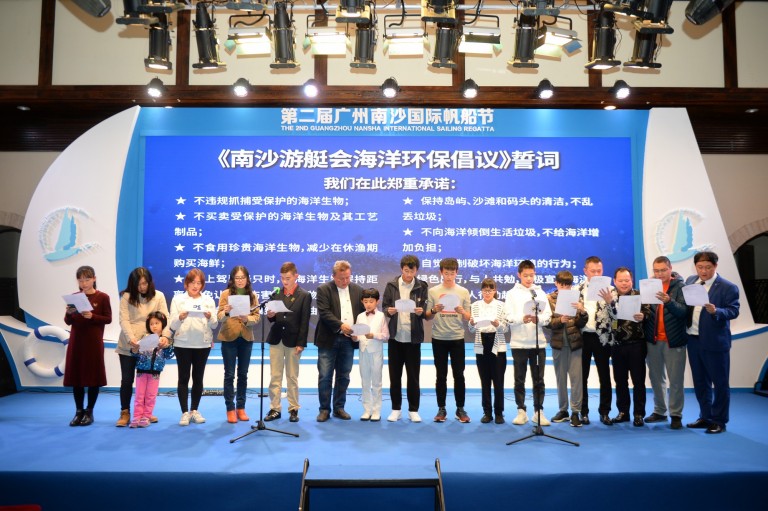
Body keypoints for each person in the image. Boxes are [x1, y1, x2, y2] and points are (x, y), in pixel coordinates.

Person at [685, 251, 740, 435]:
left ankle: (719, 421)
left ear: (715, 266)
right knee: (700, 383)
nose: (704, 271)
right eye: (700, 267)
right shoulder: (691, 281)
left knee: (720, 383)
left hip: (715, 343)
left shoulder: (727, 287)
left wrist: (717, 311)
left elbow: (733, 311)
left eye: (708, 267)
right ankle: (706, 417)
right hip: (693, 340)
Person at [116, 267, 171, 427]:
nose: (142, 287)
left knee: (147, 381)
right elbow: (124, 320)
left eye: (145, 283)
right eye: (138, 284)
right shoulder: (126, 296)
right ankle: (125, 412)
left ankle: (146, 413)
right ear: (133, 284)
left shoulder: (158, 296)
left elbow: (165, 318)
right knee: (126, 380)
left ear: (149, 282)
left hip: (150, 346)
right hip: (129, 344)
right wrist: (131, 338)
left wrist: (165, 336)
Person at [314, 260, 364, 422]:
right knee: (325, 376)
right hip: (329, 339)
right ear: (333, 276)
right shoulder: (323, 289)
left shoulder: (358, 290)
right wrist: (341, 325)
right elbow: (324, 313)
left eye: (348, 278)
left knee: (344, 375)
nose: (345, 281)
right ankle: (324, 409)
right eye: (341, 278)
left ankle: (339, 407)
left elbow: (362, 315)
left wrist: (358, 331)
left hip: (348, 341)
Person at [504, 260, 552, 426]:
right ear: (519, 275)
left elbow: (548, 317)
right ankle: (521, 411)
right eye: (525, 275)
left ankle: (539, 412)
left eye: (532, 275)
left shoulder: (539, 292)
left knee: (539, 379)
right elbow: (508, 317)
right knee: (519, 379)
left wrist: (539, 319)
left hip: (538, 344)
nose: (529, 278)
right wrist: (521, 319)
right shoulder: (511, 294)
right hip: (519, 344)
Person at [382, 255, 429, 423]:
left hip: (413, 338)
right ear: (401, 269)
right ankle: (396, 409)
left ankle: (413, 410)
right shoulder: (392, 285)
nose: (409, 274)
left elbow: (425, 309)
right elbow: (385, 306)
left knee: (413, 376)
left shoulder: (422, 286)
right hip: (395, 337)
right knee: (395, 376)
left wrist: (420, 312)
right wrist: (389, 311)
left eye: (413, 270)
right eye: (406, 270)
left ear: (417, 270)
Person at [64, 265, 112, 426]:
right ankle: (78, 411)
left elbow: (108, 319)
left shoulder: (103, 297)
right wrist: (69, 314)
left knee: (93, 377)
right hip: (77, 341)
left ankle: (89, 411)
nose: (83, 283)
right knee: (77, 377)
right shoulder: (74, 296)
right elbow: (68, 321)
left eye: (87, 279)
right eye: (80, 280)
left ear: (94, 279)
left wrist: (92, 316)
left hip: (93, 342)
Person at [643, 256, 688, 430]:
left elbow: (684, 312)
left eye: (663, 270)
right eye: (656, 270)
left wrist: (668, 301)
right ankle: (660, 411)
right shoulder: (649, 286)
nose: (660, 273)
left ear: (670, 269)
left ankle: (676, 414)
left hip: (674, 341)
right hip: (653, 340)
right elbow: (645, 311)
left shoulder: (681, 287)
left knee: (676, 380)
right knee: (656, 378)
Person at [169, 268, 218, 426]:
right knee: (183, 378)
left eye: (199, 283)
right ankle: (184, 412)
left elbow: (215, 324)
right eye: (192, 282)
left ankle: (194, 410)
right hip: (182, 343)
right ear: (186, 284)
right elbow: (172, 324)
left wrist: (210, 317)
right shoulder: (178, 300)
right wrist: (180, 317)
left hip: (202, 344)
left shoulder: (208, 300)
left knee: (198, 378)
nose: (196, 286)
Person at [426, 257, 472, 423]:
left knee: (459, 375)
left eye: (452, 273)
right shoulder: (433, 291)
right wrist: (433, 309)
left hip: (457, 338)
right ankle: (441, 408)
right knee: (441, 375)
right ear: (441, 272)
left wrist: (462, 311)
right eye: (446, 273)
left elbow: (469, 318)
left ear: (457, 273)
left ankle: (460, 409)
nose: (449, 276)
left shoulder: (463, 292)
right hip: (438, 337)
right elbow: (427, 316)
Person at [265, 262, 312, 423]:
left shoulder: (304, 295)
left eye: (288, 278)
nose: (284, 281)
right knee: (275, 376)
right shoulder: (276, 293)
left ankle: (293, 409)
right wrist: (270, 314)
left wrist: (301, 343)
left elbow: (305, 322)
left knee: (292, 377)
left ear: (296, 276)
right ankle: (275, 408)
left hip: (293, 341)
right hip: (276, 338)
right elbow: (272, 318)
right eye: (282, 278)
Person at [603, 267, 650, 427]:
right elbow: (606, 319)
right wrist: (610, 303)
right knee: (620, 381)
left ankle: (639, 414)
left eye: (627, 280)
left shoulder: (639, 295)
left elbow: (650, 313)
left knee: (638, 381)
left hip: (636, 344)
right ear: (615, 281)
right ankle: (623, 412)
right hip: (616, 346)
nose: (624, 283)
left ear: (632, 280)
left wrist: (643, 316)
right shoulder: (609, 296)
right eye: (621, 280)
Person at [217, 265, 260, 424]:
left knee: (243, 374)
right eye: (237, 278)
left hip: (246, 338)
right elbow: (219, 317)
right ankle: (230, 408)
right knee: (229, 375)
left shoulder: (252, 295)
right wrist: (227, 312)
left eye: (243, 278)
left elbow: (257, 317)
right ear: (232, 280)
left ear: (247, 279)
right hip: (229, 338)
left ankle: (241, 407)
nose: (240, 281)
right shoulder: (225, 294)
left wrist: (247, 319)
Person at [545, 270, 587, 427]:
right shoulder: (549, 299)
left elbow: (582, 323)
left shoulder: (576, 298)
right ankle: (563, 410)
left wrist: (582, 312)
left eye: (568, 285)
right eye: (562, 284)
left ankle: (576, 412)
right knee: (560, 379)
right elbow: (547, 322)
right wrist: (560, 320)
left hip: (575, 344)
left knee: (576, 380)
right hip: (558, 344)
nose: (565, 288)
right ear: (556, 283)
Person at [577, 256, 614, 426]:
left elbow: (617, 316)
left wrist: (610, 302)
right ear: (585, 271)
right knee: (582, 376)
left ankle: (605, 412)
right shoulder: (577, 290)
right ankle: (583, 412)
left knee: (604, 376)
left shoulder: (610, 290)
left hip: (602, 337)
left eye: (599, 271)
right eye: (593, 271)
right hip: (583, 336)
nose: (597, 274)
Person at [468, 278, 508, 425]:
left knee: (498, 381)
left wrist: (498, 324)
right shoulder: (475, 305)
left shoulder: (501, 305)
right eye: (485, 290)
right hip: (481, 343)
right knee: (484, 381)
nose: (487, 293)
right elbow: (472, 329)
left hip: (497, 344)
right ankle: (487, 412)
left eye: (490, 290)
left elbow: (506, 328)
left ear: (495, 291)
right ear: (481, 291)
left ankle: (499, 413)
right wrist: (471, 323)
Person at [129, 311, 174, 428]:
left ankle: (146, 416)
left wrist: (167, 346)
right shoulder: (144, 338)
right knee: (139, 395)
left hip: (155, 373)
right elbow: (137, 354)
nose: (154, 326)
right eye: (151, 324)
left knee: (150, 396)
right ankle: (137, 416)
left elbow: (169, 355)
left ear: (162, 324)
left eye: (157, 323)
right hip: (141, 372)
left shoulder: (165, 341)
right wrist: (135, 350)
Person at [355, 288, 390, 421]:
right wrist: (354, 337)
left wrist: (373, 335)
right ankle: (366, 410)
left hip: (376, 353)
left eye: (371, 301)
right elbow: (357, 335)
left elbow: (386, 335)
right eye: (365, 301)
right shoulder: (360, 316)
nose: (368, 304)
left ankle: (376, 410)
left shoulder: (381, 316)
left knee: (376, 382)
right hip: (363, 352)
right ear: (362, 302)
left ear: (377, 302)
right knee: (365, 382)